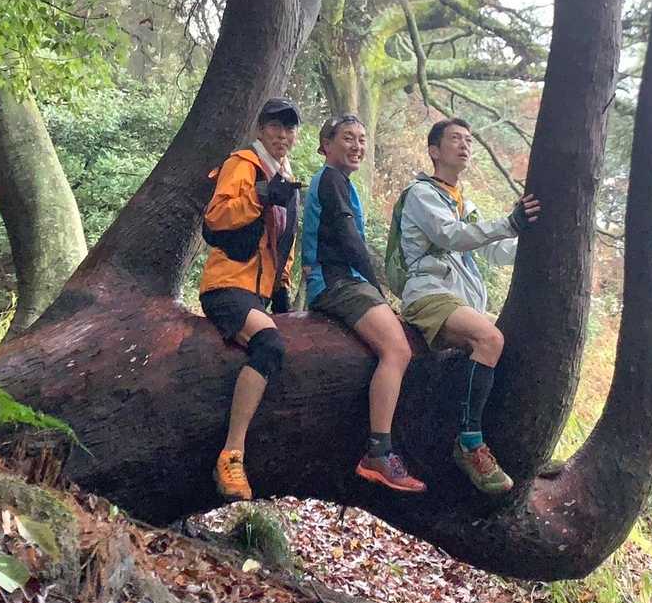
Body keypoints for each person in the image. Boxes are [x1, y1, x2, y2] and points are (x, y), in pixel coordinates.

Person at [390, 117, 539, 494]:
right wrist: (509, 222)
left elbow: (494, 252)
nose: (464, 146)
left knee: (510, 342)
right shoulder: (422, 194)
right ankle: (470, 443)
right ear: (434, 151)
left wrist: (534, 237)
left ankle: (498, 438)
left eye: (469, 140)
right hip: (429, 296)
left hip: (460, 300)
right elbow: (452, 236)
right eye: (455, 139)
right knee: (490, 338)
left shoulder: (463, 202)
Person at [303, 115, 426, 495]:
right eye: (347, 138)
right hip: (336, 282)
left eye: (361, 139)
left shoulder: (341, 183)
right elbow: (348, 238)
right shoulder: (331, 180)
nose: (357, 146)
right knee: (397, 350)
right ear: (326, 144)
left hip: (344, 279)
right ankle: (378, 452)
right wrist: (377, 287)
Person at [200, 98, 303, 501]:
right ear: (261, 129)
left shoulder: (287, 176)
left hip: (259, 293)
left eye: (289, 129)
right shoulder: (243, 164)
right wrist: (260, 195)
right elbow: (216, 218)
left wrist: (283, 288)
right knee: (269, 345)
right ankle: (231, 454)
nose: (283, 135)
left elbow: (284, 241)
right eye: (276, 127)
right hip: (227, 286)